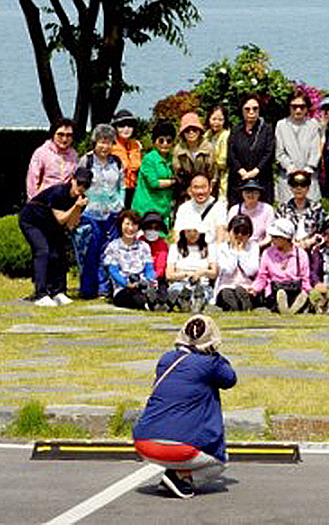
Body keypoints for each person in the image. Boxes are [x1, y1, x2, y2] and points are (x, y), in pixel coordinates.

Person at [133, 314, 236, 500]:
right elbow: (230, 379)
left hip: (143, 442)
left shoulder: (166, 359)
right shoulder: (211, 363)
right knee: (220, 462)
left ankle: (175, 472)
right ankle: (180, 476)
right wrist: (215, 354)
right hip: (181, 449)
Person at [18, 166, 91, 306]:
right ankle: (41, 294)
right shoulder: (59, 192)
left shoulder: (82, 200)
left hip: (50, 224)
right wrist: (76, 207)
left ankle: (59, 292)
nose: (81, 188)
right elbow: (61, 219)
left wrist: (78, 207)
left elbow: (70, 224)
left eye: (85, 185)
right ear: (72, 180)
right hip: (32, 220)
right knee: (43, 251)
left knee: (59, 254)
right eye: (79, 183)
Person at [73, 123, 124, 299]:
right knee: (89, 251)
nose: (105, 146)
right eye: (101, 142)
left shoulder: (116, 161)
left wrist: (120, 205)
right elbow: (78, 186)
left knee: (109, 251)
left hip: (111, 213)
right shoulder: (86, 160)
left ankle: (104, 289)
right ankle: (88, 290)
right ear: (94, 142)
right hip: (90, 213)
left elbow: (121, 186)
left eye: (109, 142)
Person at [252, 217, 311, 314]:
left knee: (299, 296)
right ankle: (286, 308)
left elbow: (305, 278)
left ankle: (291, 307)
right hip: (275, 290)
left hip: (294, 289)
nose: (273, 240)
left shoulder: (301, 254)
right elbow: (262, 276)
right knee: (278, 296)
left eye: (276, 237)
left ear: (286, 238)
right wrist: (255, 288)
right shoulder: (267, 253)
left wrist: (308, 290)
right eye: (272, 237)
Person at [102, 209, 158, 310]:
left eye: (134, 225)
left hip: (142, 285)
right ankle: (148, 303)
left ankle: (157, 301)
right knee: (133, 297)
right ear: (121, 226)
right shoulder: (113, 246)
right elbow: (113, 271)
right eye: (127, 224)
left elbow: (149, 268)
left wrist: (149, 280)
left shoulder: (144, 246)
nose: (130, 228)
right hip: (123, 288)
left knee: (157, 289)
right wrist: (127, 284)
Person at [227, 92, 275, 206]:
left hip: (262, 180)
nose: (251, 112)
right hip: (239, 180)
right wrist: (242, 171)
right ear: (242, 111)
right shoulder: (235, 130)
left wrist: (255, 172)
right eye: (247, 109)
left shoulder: (267, 130)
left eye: (255, 109)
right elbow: (231, 154)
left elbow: (269, 153)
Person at [274, 91, 322, 204]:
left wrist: (308, 169)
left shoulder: (313, 125)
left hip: (309, 177)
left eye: (302, 106)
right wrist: (290, 168)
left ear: (307, 108)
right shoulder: (281, 125)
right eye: (294, 106)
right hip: (288, 178)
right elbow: (279, 152)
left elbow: (316, 151)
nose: (298, 110)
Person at [131, 122, 177, 228]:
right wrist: (174, 182)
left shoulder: (172, 159)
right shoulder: (149, 159)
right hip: (146, 209)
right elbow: (154, 183)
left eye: (169, 141)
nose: (165, 144)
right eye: (161, 140)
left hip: (163, 209)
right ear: (154, 141)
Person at [214, 214, 260, 311]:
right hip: (226, 286)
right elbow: (228, 269)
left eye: (244, 232)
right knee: (227, 293)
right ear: (230, 232)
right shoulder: (222, 247)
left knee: (241, 291)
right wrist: (235, 250)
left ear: (249, 234)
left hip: (246, 286)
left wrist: (241, 252)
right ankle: (236, 307)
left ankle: (245, 304)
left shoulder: (253, 247)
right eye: (236, 231)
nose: (239, 235)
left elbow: (251, 271)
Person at [167, 225, 217, 312]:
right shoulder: (175, 248)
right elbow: (169, 275)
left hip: (201, 283)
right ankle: (183, 300)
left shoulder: (209, 248)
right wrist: (185, 275)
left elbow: (214, 273)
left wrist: (201, 273)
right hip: (181, 282)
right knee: (177, 290)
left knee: (202, 291)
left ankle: (197, 301)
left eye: (195, 231)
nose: (192, 234)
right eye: (189, 231)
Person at [25, 118, 77, 201]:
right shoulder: (41, 153)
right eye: (60, 134)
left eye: (68, 135)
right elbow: (32, 181)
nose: (64, 139)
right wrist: (34, 202)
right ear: (53, 135)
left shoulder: (73, 154)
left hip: (65, 203)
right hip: (44, 202)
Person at [173, 112, 217, 203]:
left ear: (199, 131)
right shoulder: (178, 150)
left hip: (207, 190)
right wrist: (189, 190)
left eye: (194, 130)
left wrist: (208, 189)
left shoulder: (208, 148)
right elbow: (178, 174)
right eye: (187, 130)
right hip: (186, 191)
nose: (191, 133)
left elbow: (213, 172)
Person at [277, 169, 325, 251]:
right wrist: (292, 243)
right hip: (288, 250)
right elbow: (278, 231)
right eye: (295, 185)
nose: (299, 188)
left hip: (312, 250)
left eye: (303, 185)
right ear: (290, 188)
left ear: (308, 187)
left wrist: (309, 242)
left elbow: (322, 232)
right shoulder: (283, 209)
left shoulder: (317, 208)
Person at [174, 173, 227, 245]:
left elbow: (221, 232)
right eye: (196, 187)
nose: (200, 192)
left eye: (203, 187)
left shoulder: (219, 207)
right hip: (189, 250)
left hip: (211, 250)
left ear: (210, 188)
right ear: (190, 189)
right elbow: (177, 234)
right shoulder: (183, 208)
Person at [227, 178, 273, 248]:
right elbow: (230, 234)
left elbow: (269, 236)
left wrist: (255, 247)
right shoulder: (234, 209)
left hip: (260, 246)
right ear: (242, 193)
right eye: (247, 191)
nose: (251, 195)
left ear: (259, 194)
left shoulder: (267, 209)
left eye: (255, 192)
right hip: (238, 247)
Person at [111, 109, 143, 209]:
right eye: (121, 126)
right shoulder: (110, 146)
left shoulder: (136, 146)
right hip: (116, 191)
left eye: (129, 126)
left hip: (134, 191)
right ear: (115, 128)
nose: (126, 129)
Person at [204, 105, 230, 196]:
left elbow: (223, 161)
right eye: (214, 119)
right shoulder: (207, 135)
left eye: (220, 120)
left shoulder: (226, 135)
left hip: (222, 176)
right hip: (207, 175)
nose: (216, 122)